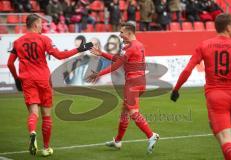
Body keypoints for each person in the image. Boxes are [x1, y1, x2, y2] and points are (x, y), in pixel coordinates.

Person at [7, 13, 91, 157]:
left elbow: (10, 63)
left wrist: (17, 79)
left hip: (27, 80)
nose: (42, 26)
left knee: (33, 113)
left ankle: (32, 132)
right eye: (40, 24)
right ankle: (46, 148)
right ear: (35, 24)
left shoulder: (18, 42)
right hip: (43, 79)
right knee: (46, 115)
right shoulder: (44, 39)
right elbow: (59, 55)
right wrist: (80, 49)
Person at [171, 13, 231, 160]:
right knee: (219, 133)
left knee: (225, 138)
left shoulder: (204, 45)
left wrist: (176, 89)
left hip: (217, 97)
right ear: (228, 27)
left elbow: (187, 70)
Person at [87, 22, 159, 154]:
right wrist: (102, 53)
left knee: (133, 112)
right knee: (125, 113)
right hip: (141, 81)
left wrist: (98, 74)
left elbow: (116, 65)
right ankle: (118, 141)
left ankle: (151, 135)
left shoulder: (130, 47)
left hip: (132, 83)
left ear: (129, 33)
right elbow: (119, 60)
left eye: (121, 32)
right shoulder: (138, 45)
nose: (120, 35)